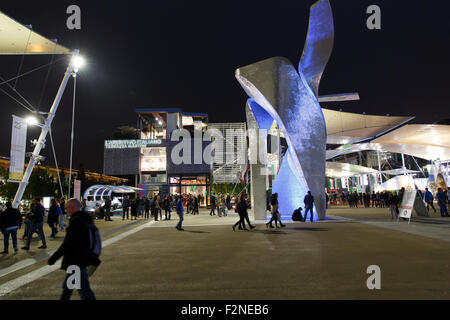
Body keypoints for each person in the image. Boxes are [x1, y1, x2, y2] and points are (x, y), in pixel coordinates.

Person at [48, 199, 100, 300]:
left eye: (67, 208)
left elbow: (68, 243)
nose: (66, 210)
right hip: (79, 259)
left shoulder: (77, 221)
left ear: (72, 207)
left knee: (84, 291)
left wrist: (53, 258)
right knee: (68, 288)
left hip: (76, 261)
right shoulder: (85, 218)